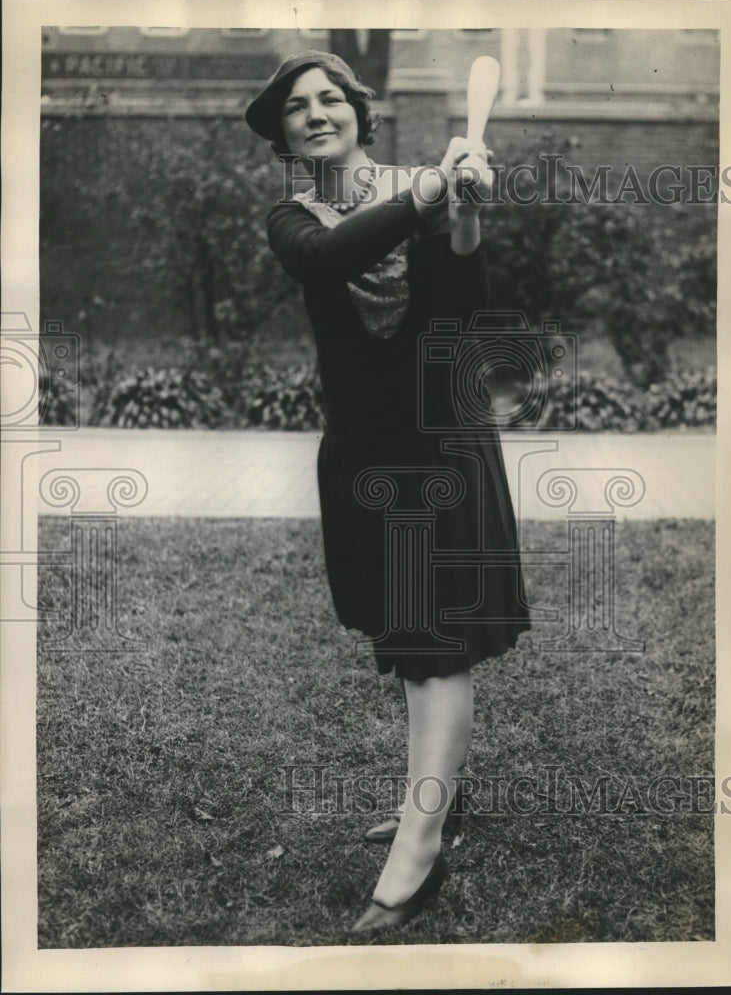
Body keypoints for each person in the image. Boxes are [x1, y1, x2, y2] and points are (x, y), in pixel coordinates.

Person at [245, 50, 530, 934]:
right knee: (411, 641)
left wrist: (466, 216)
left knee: (434, 642)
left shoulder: (426, 190)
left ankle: (417, 851)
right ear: (284, 133)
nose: (317, 111)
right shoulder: (293, 217)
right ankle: (433, 803)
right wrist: (426, 198)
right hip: (367, 447)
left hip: (438, 441)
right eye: (298, 106)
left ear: (360, 114)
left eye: (332, 97)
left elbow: (456, 310)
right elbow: (332, 257)